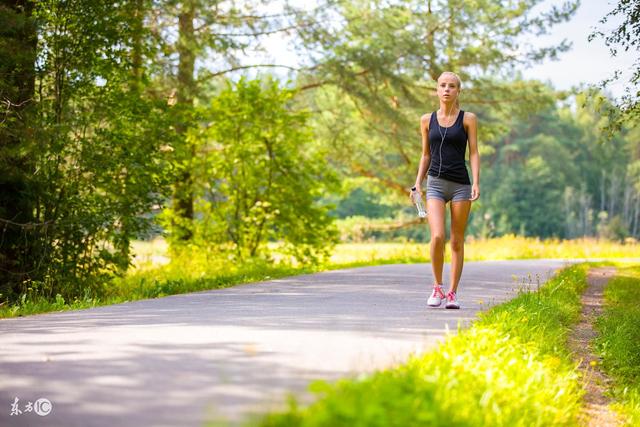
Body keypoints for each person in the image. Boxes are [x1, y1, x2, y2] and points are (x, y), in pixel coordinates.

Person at [411, 71, 480, 309]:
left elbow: (473, 152)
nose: (447, 89)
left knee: (457, 241)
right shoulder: (426, 120)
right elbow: (425, 154)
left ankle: (452, 293)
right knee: (438, 236)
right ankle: (437, 287)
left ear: (458, 91)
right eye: (442, 85)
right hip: (436, 184)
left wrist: (476, 182)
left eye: (451, 86)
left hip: (461, 184)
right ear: (437, 90)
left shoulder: (468, 118)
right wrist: (417, 183)